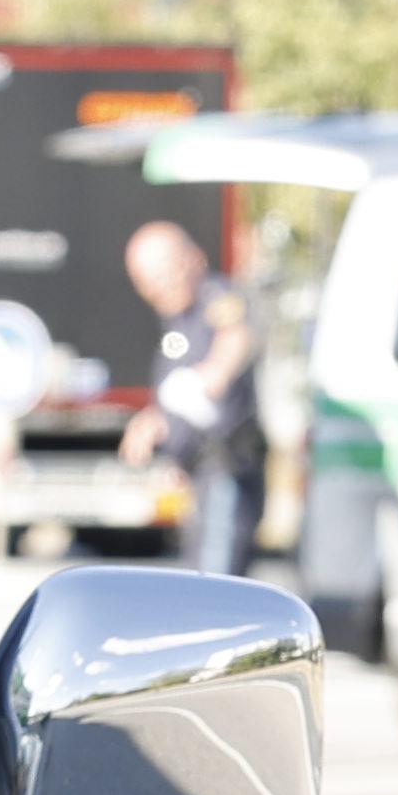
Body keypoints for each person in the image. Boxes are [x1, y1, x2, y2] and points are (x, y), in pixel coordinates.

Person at [123, 218, 266, 580]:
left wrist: (213, 374)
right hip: (200, 476)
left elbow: (234, 334)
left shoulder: (213, 296)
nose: (155, 288)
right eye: (144, 280)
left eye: (162, 273)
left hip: (227, 467)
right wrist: (156, 421)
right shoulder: (177, 321)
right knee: (197, 576)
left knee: (215, 585)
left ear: (191, 260)